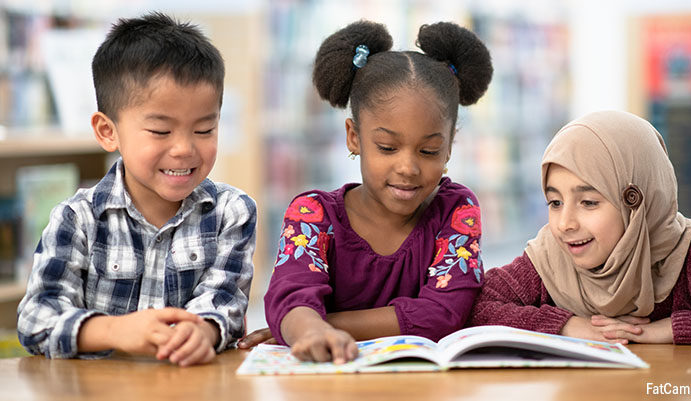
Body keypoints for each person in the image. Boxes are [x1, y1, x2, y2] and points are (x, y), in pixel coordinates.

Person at [237, 20, 493, 363]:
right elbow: (291, 297)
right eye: (387, 147)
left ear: (449, 147)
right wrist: (304, 325)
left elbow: (443, 315)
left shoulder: (456, 209)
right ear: (354, 137)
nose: (408, 168)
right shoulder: (312, 215)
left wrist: (319, 324)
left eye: (429, 151)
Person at [16, 12, 257, 366]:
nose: (184, 149)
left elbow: (224, 304)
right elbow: (36, 318)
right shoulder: (77, 218)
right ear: (106, 131)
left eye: (204, 130)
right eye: (161, 131)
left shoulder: (231, 212)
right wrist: (115, 331)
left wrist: (202, 331)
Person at [468, 110, 691, 345]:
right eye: (555, 203)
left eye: (589, 202)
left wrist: (665, 329)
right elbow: (476, 308)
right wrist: (570, 325)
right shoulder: (550, 258)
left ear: (636, 205)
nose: (565, 224)